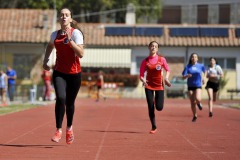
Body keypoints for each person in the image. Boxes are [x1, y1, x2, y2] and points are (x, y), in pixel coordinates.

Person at [42, 8, 84, 144]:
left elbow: (81, 54)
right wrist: (46, 60)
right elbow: (49, 46)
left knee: (70, 103)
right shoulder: (54, 35)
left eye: (67, 15)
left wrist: (70, 40)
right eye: (62, 15)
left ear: (71, 19)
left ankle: (69, 128)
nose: (64, 17)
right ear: (59, 19)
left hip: (74, 74)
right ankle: (58, 130)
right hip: (59, 72)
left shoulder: (76, 33)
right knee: (60, 98)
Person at [139, 41, 171, 134]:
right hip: (148, 85)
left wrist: (166, 78)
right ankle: (153, 126)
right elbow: (141, 75)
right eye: (152, 46)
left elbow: (168, 70)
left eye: (155, 46)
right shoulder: (145, 61)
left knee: (159, 107)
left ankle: (156, 100)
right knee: (150, 106)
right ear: (149, 47)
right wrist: (143, 80)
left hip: (159, 85)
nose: (153, 47)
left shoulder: (162, 60)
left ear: (157, 49)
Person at [182, 53, 206, 122]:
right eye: (192, 57)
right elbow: (183, 77)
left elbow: (205, 71)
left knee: (198, 98)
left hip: (198, 85)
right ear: (191, 58)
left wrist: (204, 77)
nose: (194, 58)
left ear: (197, 59)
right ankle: (195, 115)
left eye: (195, 57)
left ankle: (198, 103)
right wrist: (187, 76)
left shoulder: (201, 66)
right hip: (190, 85)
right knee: (192, 102)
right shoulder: (188, 67)